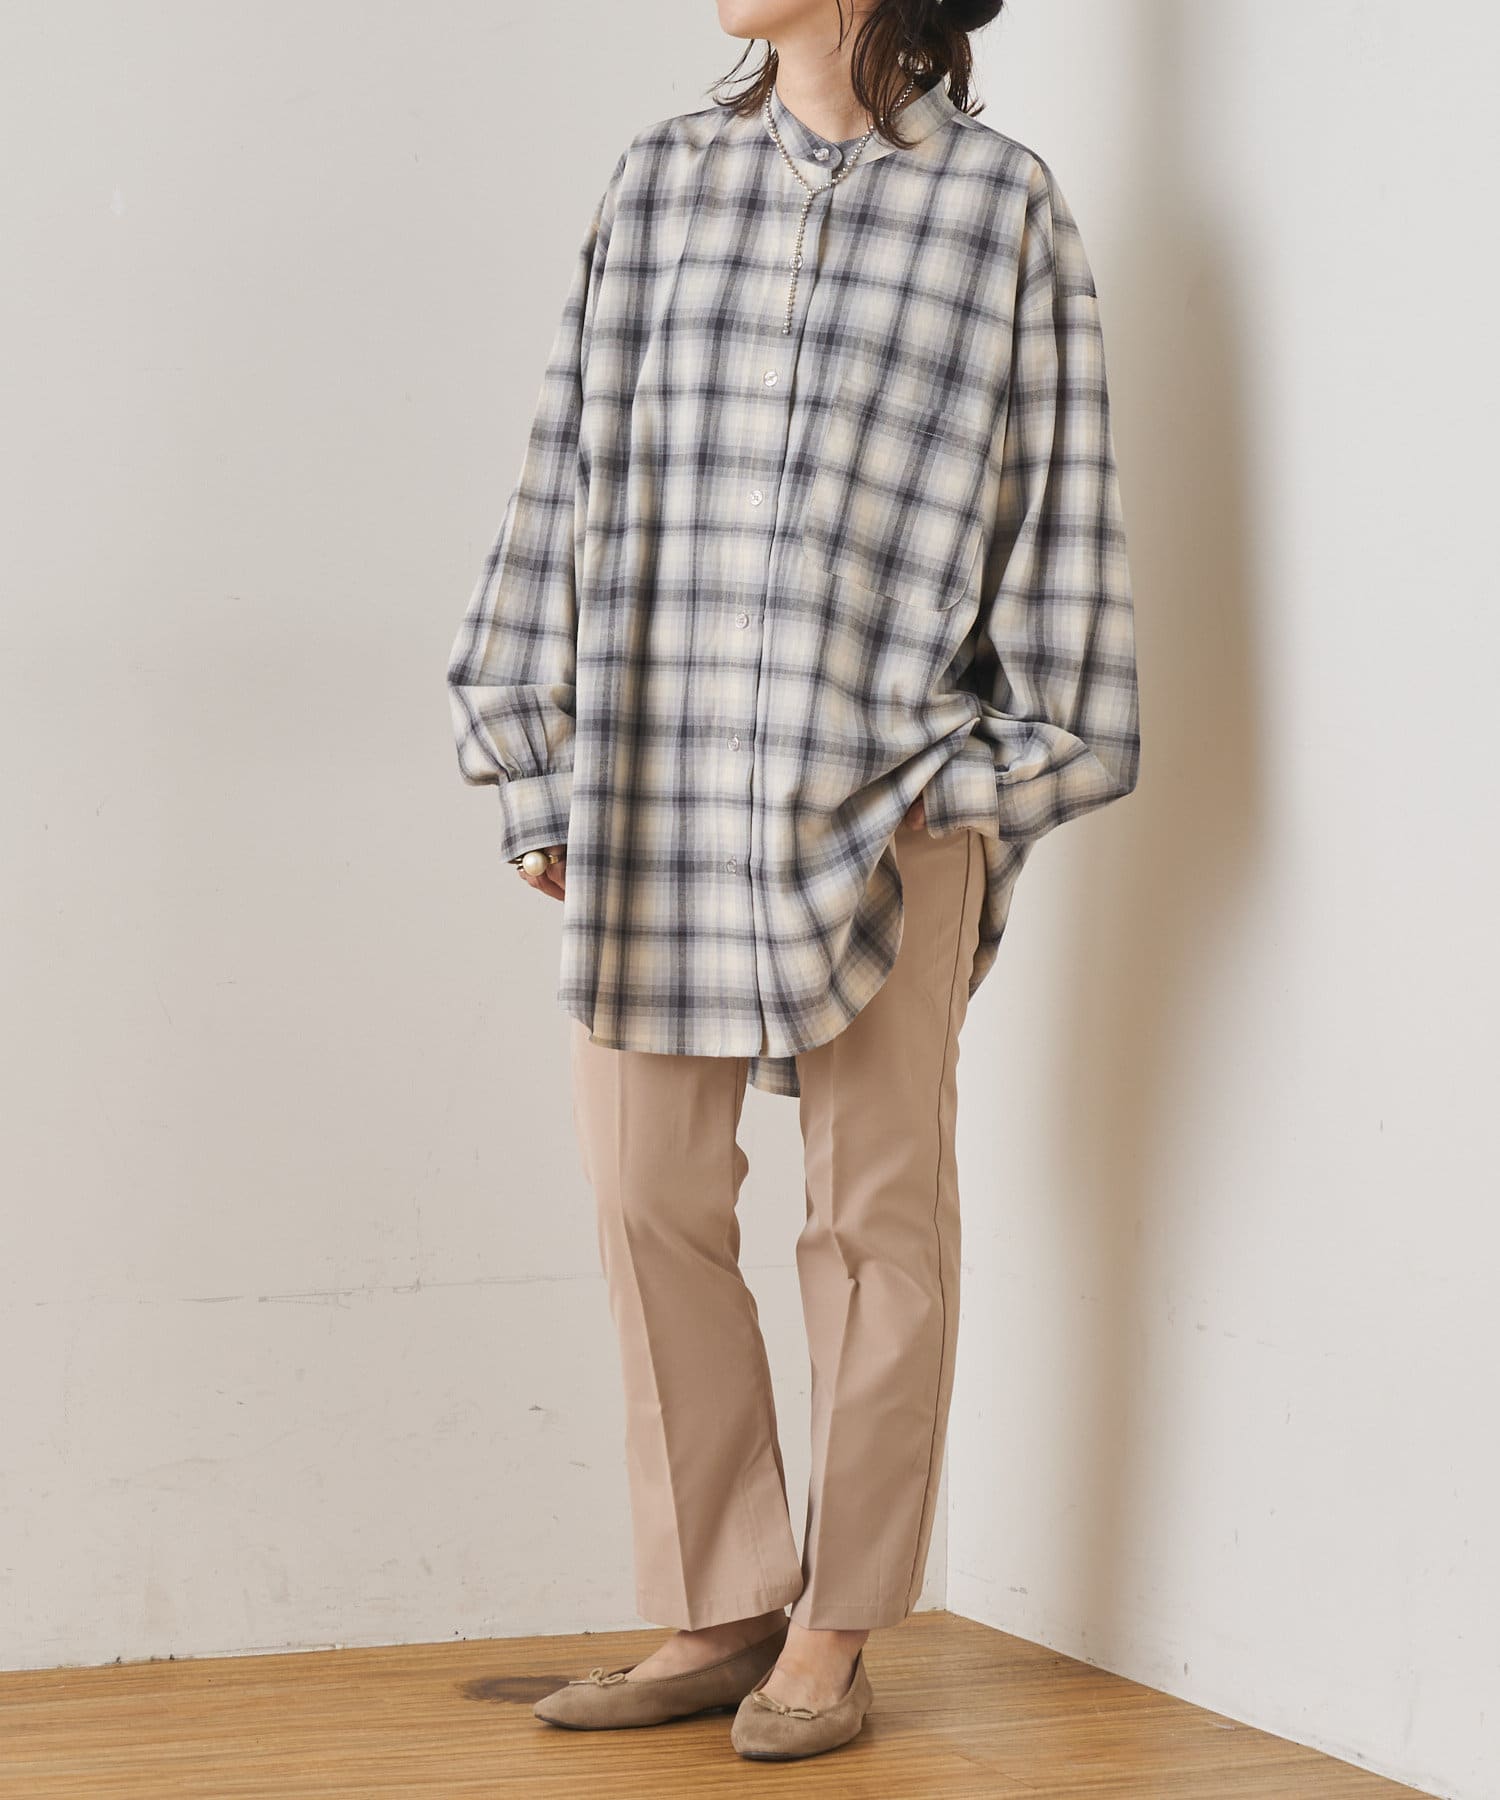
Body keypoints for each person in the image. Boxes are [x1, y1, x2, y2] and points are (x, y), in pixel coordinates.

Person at [444, 0, 1140, 1764]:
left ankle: (836, 1625)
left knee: (873, 1220)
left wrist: (968, 784)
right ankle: (722, 1597)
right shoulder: (661, 183)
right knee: (644, 1190)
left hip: (889, 809)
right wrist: (535, 751)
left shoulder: (1000, 210)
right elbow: (562, 476)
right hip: (661, 781)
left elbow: (1061, 539)